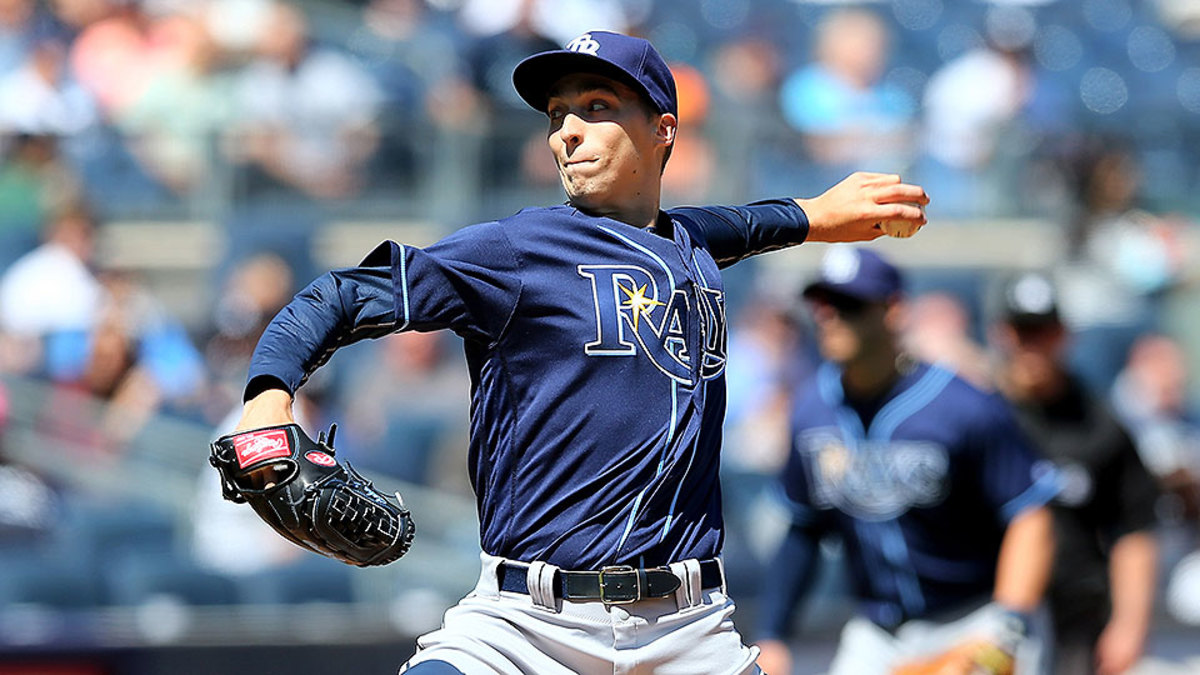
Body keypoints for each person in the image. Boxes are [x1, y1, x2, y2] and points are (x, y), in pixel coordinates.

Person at [228, 30, 928, 674]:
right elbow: (341, 296)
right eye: (557, 114)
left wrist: (810, 217)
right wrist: (267, 395)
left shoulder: (687, 241)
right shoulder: (513, 251)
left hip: (688, 630)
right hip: (525, 626)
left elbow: (727, 225)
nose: (568, 131)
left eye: (597, 106)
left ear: (663, 130)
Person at [755, 248, 1059, 675]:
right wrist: (773, 633)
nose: (831, 317)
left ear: (893, 310)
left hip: (974, 614)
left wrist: (1007, 627)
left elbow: (1030, 515)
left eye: (849, 304)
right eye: (823, 303)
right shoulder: (811, 410)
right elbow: (804, 528)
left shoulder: (961, 404)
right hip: (878, 632)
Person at [991, 271, 1160, 675]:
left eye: (1043, 332)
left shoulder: (1099, 423)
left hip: (1077, 612)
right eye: (1022, 332)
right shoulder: (981, 416)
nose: (1032, 345)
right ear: (1002, 334)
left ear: (1064, 335)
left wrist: (1129, 625)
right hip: (991, 608)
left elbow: (1133, 529)